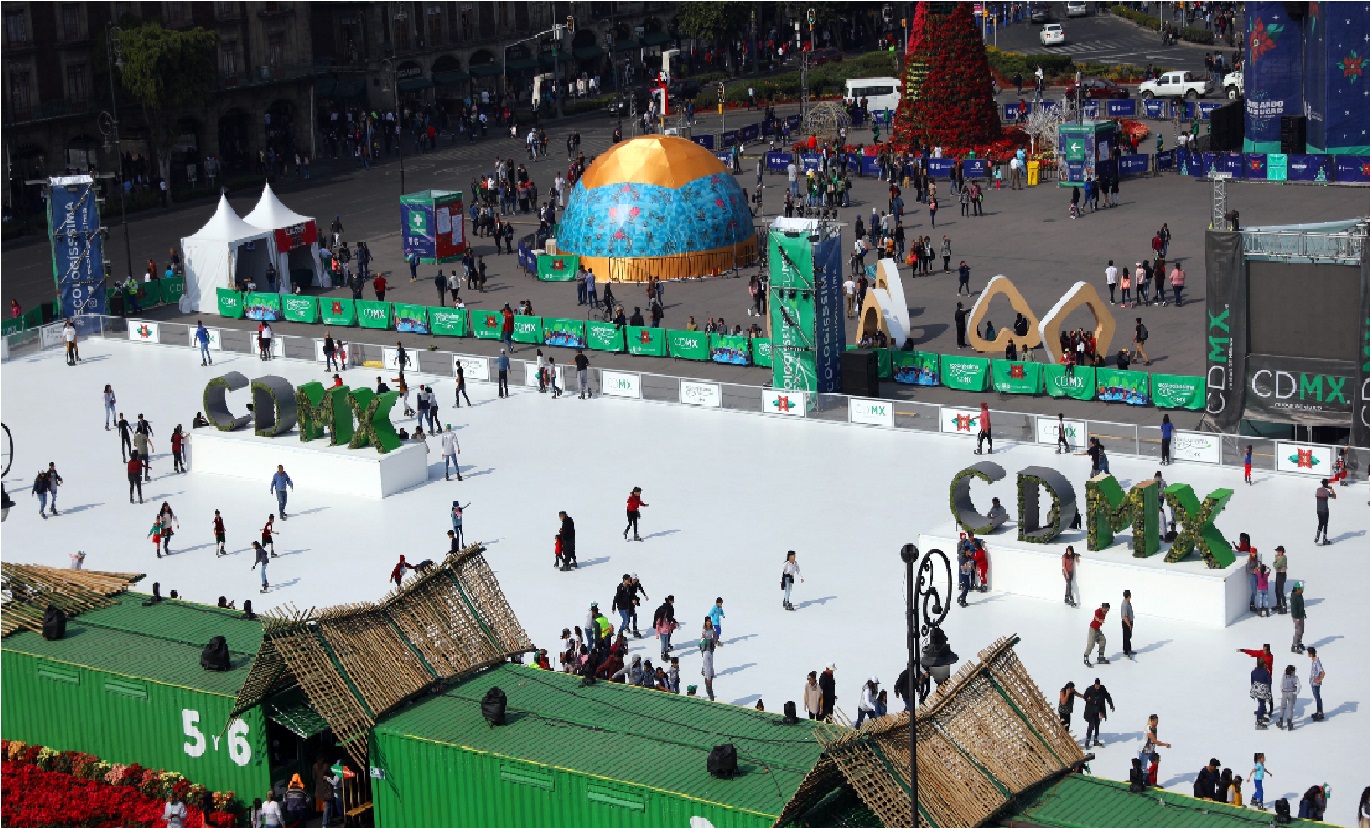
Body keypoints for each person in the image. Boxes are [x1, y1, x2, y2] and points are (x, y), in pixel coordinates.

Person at [1081, 678, 1115, 747]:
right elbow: (1085, 696)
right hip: (1091, 711)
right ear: (1094, 684)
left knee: (1097, 725)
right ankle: (1087, 741)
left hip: (1099, 710)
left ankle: (1096, 741)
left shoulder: (1102, 689)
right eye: (1096, 685)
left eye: (1098, 686)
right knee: (1091, 725)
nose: (1097, 687)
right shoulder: (1090, 689)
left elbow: (1107, 696)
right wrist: (1090, 700)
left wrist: (1111, 705)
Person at [1083, 603, 1110, 667]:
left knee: (1103, 640)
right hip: (1093, 629)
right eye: (1107, 609)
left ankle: (1101, 657)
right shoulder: (1098, 611)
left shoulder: (1104, 613)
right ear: (1103, 608)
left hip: (1097, 630)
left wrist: (1101, 621)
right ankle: (1086, 658)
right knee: (1091, 644)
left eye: (1108, 610)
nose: (1107, 611)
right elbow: (1096, 616)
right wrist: (1099, 620)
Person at [652, 595, 677, 661]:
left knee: (666, 642)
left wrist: (670, 629)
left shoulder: (668, 607)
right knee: (663, 643)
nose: (673, 601)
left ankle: (666, 653)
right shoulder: (665, 608)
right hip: (663, 631)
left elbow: (670, 617)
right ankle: (663, 654)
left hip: (667, 629)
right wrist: (657, 634)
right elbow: (658, 624)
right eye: (672, 600)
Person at [699, 617, 717, 701]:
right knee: (706, 660)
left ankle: (709, 673)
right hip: (706, 645)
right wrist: (702, 643)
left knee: (710, 660)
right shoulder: (704, 629)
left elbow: (714, 635)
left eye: (710, 621)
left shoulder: (711, 629)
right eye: (707, 621)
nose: (709, 623)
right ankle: (704, 671)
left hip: (710, 645)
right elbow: (703, 637)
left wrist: (715, 641)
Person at [1313, 478, 1335, 545]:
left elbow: (1316, 495)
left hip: (1319, 510)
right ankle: (1325, 539)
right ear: (1326, 484)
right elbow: (1334, 496)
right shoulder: (1326, 492)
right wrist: (1331, 489)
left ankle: (1317, 536)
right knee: (1325, 524)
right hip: (1325, 510)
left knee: (1320, 523)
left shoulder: (1318, 490)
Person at [1306, 646, 1325, 721]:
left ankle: (1320, 712)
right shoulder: (1314, 660)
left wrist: (1319, 679)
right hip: (1313, 682)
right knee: (1316, 697)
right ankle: (1319, 711)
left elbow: (1322, 672)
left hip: (1315, 683)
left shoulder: (1316, 661)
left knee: (1317, 697)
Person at [1290, 582, 1306, 653]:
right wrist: (1297, 618)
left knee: (1302, 630)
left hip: (1301, 615)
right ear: (1297, 589)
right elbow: (1294, 609)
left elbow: (1301, 606)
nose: (1302, 590)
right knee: (1298, 631)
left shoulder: (1300, 595)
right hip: (1297, 617)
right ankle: (1295, 645)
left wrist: (1303, 613)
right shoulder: (1294, 597)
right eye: (1301, 589)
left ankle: (1299, 642)